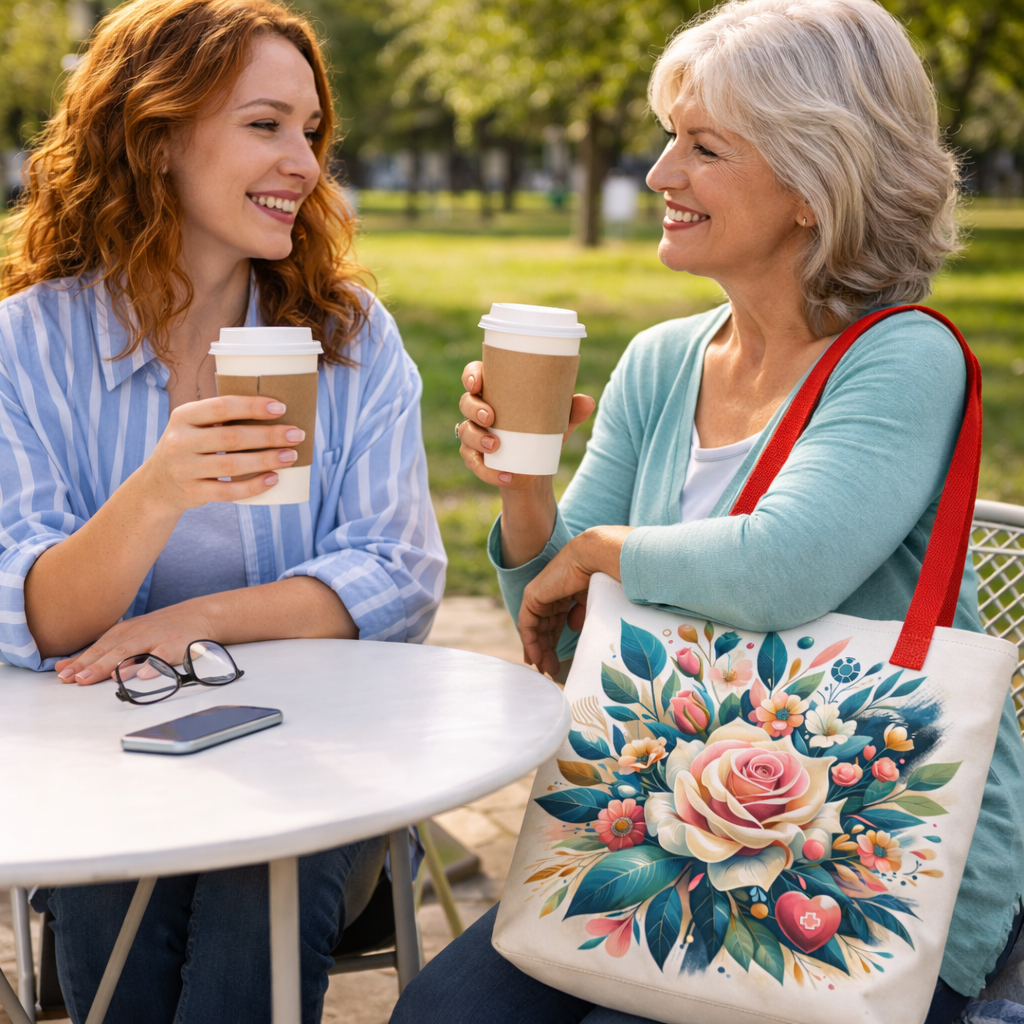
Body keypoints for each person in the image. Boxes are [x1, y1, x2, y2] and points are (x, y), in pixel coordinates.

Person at [392, 0, 1024, 1021]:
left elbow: (783, 566)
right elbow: (558, 632)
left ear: (815, 183)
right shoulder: (660, 361)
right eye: (665, 137)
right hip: (663, 819)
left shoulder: (903, 356)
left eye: (703, 147)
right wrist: (525, 492)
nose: (657, 175)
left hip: (869, 856)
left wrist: (594, 548)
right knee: (441, 1012)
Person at [0, 1, 445, 1022]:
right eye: (265, 125)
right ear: (156, 138)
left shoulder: (346, 336)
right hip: (101, 760)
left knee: (266, 861)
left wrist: (190, 619)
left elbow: (397, 569)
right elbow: (43, 618)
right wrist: (161, 486)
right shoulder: (26, 347)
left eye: (311, 133)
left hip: (318, 755)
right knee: (119, 870)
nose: (304, 161)